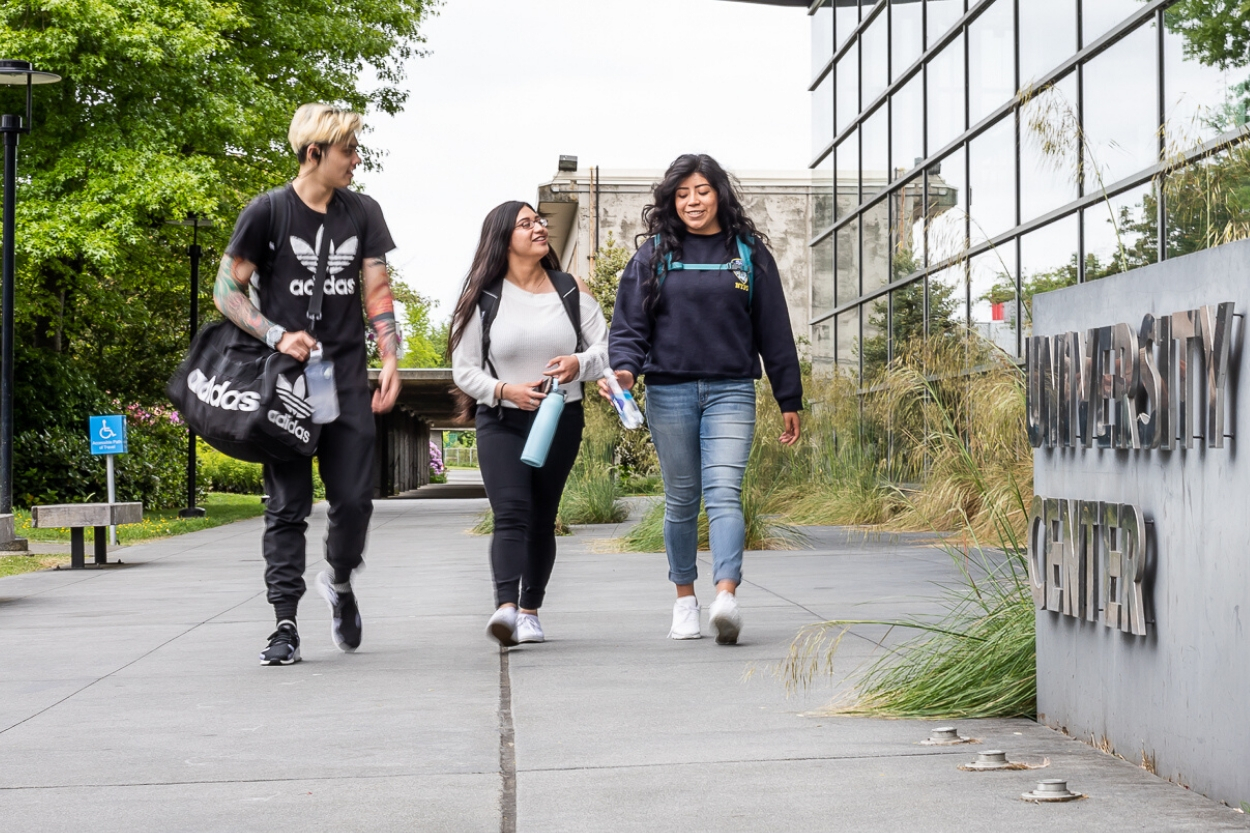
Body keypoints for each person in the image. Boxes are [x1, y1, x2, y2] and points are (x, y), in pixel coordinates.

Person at [215, 103, 401, 665]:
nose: (356, 159)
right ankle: (285, 625)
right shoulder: (268, 211)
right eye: (348, 150)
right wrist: (275, 333)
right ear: (314, 153)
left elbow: (377, 289)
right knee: (288, 504)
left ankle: (339, 579)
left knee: (353, 498)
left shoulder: (363, 211)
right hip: (287, 382)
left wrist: (390, 355)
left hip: (342, 377)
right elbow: (226, 289)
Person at [604, 153, 802, 645]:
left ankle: (726, 598)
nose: (693, 201)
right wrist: (625, 371)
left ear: (719, 195)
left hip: (732, 390)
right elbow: (629, 326)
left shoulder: (748, 253)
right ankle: (685, 601)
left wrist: (788, 396)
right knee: (681, 500)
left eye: (703, 191)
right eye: (683, 193)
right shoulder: (653, 255)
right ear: (673, 200)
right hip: (668, 391)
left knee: (724, 494)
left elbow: (773, 329)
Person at [450, 201, 609, 646]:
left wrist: (579, 362)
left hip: (561, 418)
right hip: (501, 419)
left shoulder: (570, 289)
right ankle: (504, 609)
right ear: (504, 238)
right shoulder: (483, 298)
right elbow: (464, 371)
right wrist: (505, 390)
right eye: (527, 223)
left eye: (539, 220)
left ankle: (530, 610)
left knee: (542, 517)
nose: (539, 227)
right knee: (511, 513)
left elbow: (607, 350)